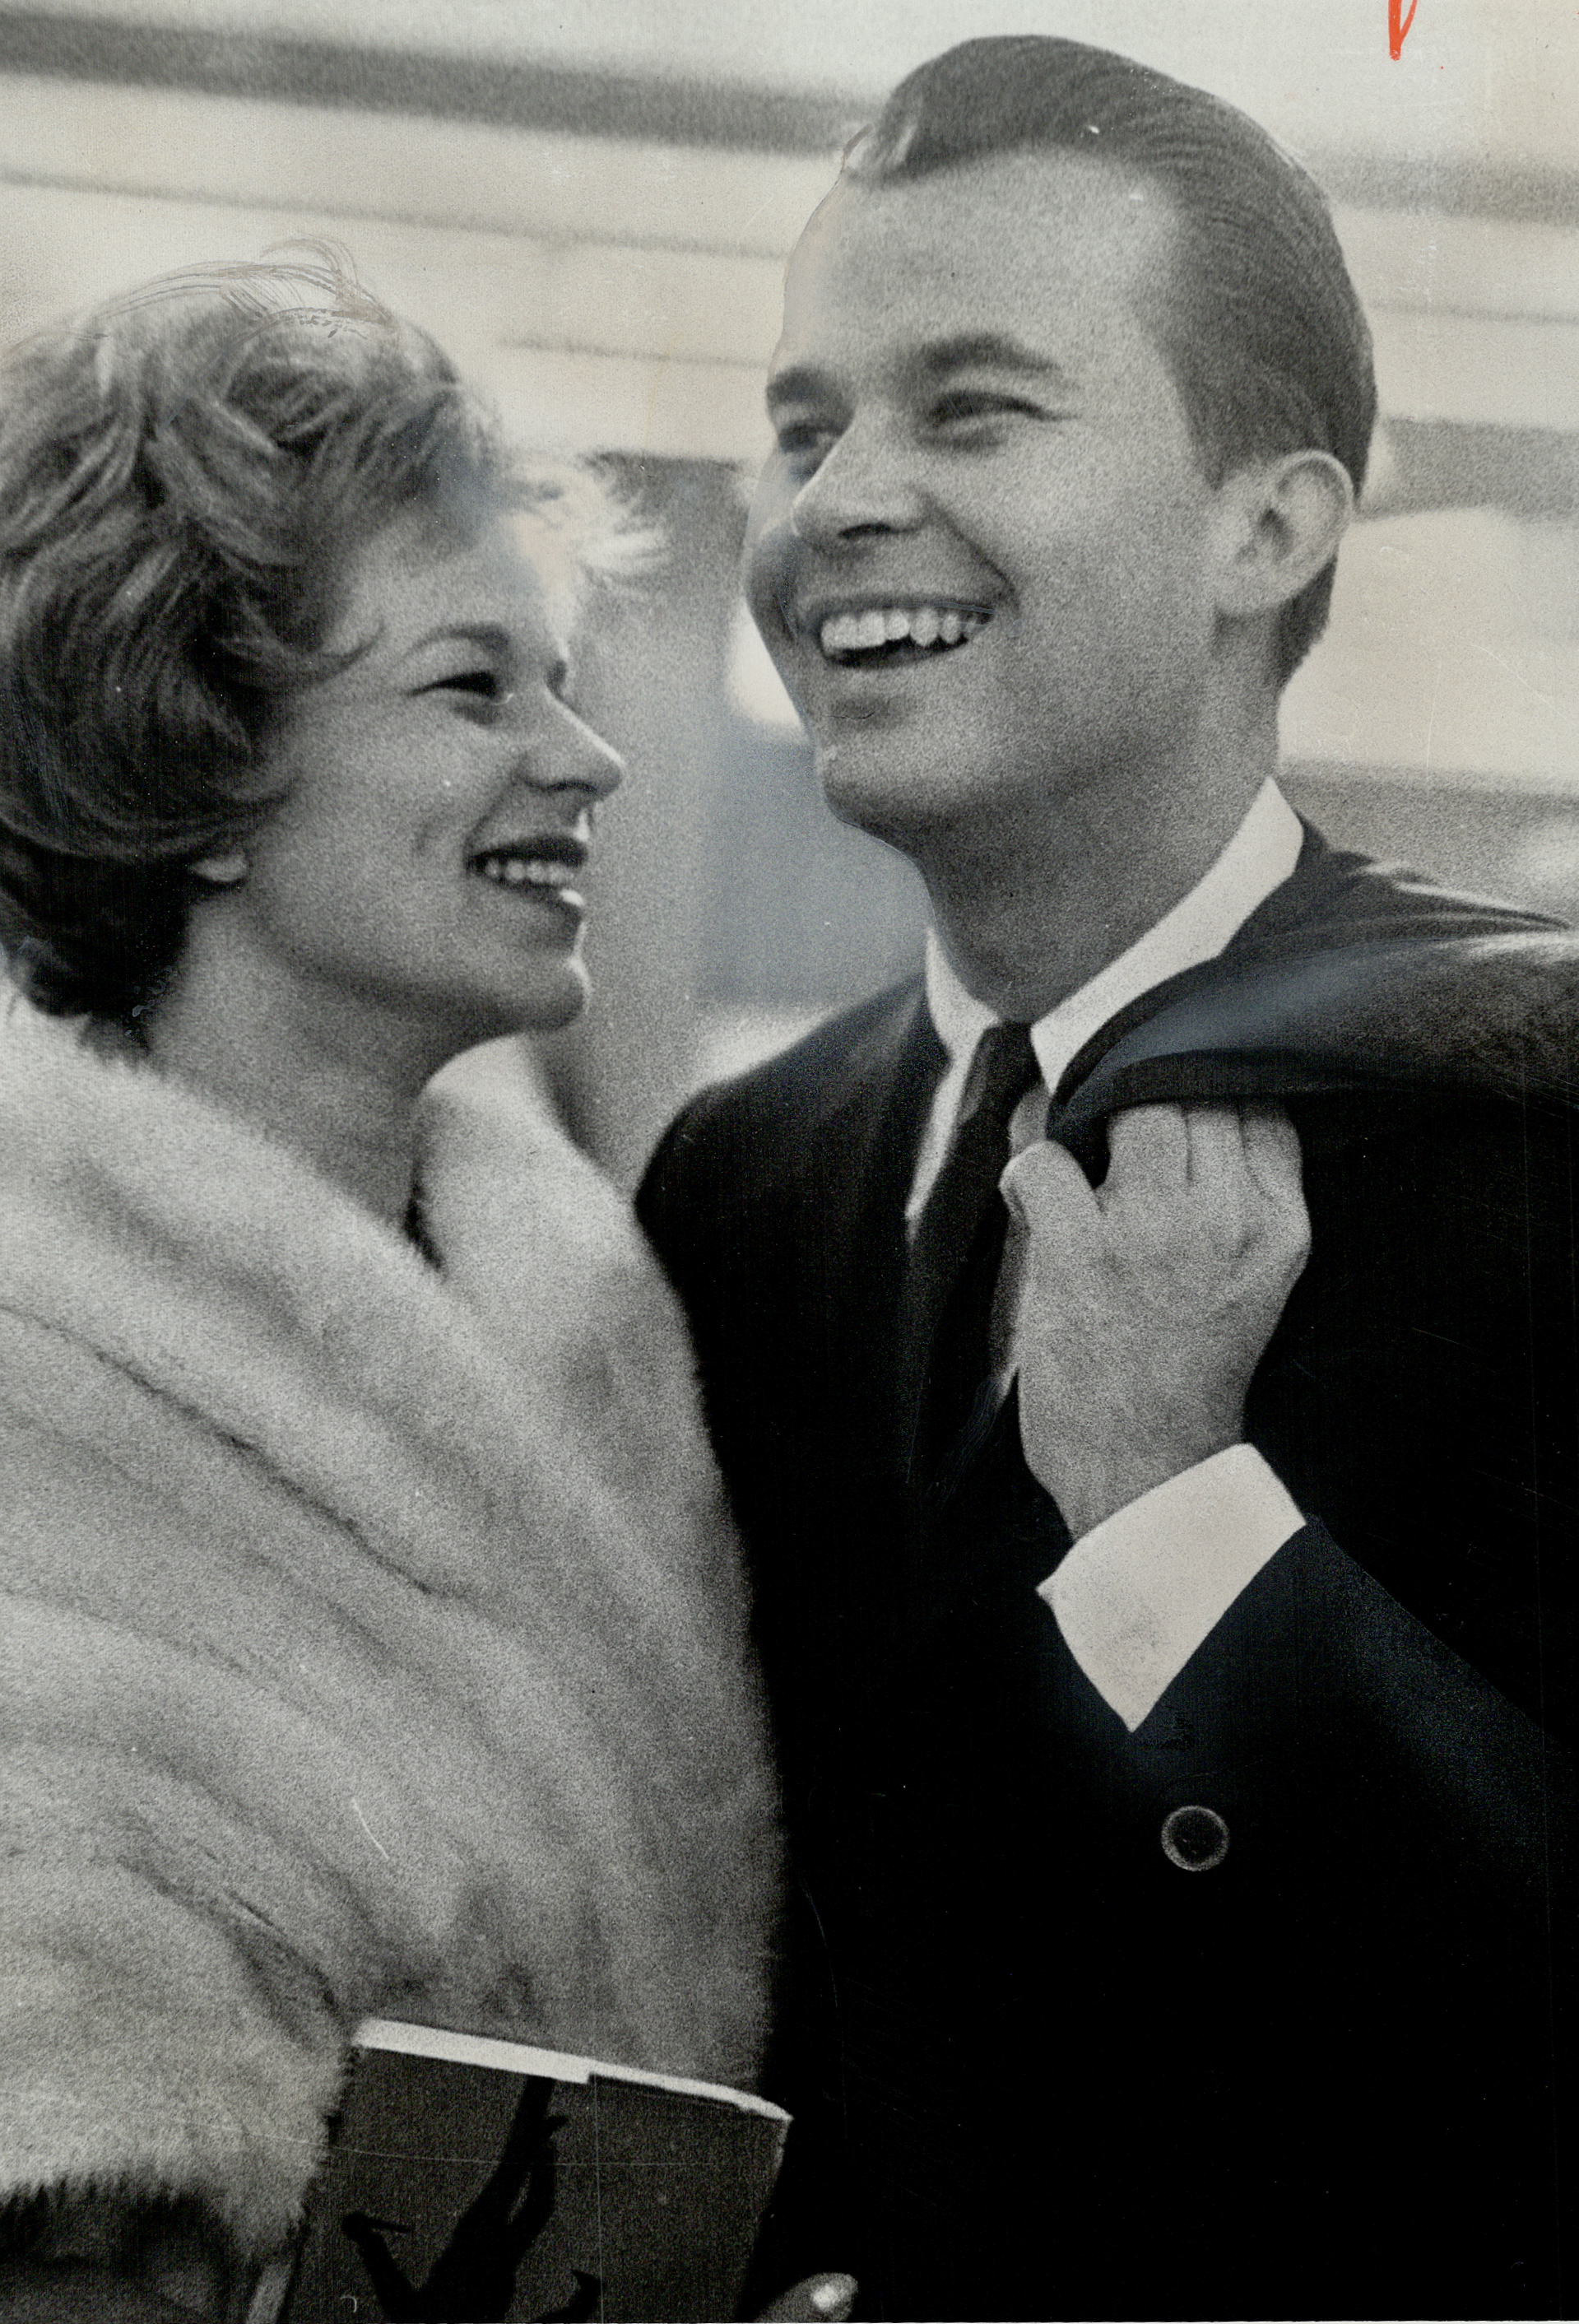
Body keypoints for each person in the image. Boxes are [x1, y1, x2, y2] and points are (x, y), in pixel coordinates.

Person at [638, 36, 1577, 2322]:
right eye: (803, 423)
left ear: (1271, 526)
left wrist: (1176, 1512)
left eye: (971, 411)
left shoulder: (1528, 1130)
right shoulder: (736, 1190)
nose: (839, 500)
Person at [0, 262, 787, 2322]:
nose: (585, 759)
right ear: (195, 764)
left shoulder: (588, 1302)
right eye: (473, 687)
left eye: (563, 676)